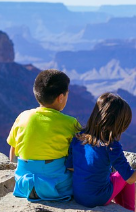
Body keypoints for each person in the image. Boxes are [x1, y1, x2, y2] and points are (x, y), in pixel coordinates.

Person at [66, 92, 136, 211]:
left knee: (114, 176)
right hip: (98, 198)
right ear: (118, 123)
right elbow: (130, 178)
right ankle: (128, 209)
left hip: (79, 196)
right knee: (123, 175)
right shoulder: (111, 145)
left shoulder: (78, 137)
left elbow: (71, 168)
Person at [7, 69, 81, 202]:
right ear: (61, 97)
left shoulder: (23, 116)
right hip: (57, 187)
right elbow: (82, 152)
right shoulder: (70, 123)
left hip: (24, 186)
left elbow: (13, 151)